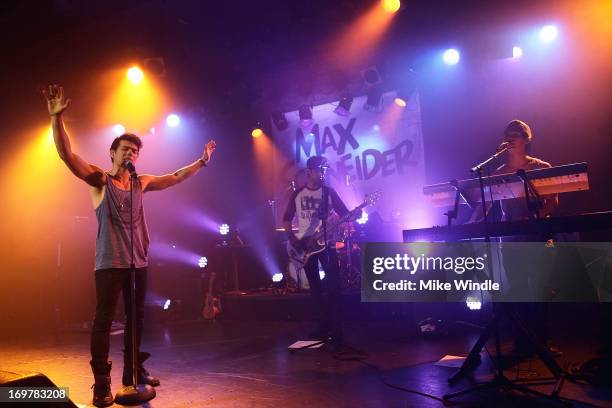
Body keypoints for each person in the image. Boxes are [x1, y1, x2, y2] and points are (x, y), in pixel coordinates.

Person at [43, 84, 216, 407]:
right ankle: (101, 383)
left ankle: (133, 373)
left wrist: (201, 162)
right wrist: (57, 119)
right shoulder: (99, 180)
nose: (130, 154)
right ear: (112, 153)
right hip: (109, 263)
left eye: (134, 151)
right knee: (104, 321)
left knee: (137, 320)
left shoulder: (141, 182)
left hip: (138, 261)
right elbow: (67, 155)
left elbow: (175, 176)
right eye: (124, 149)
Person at [282, 156, 350, 348]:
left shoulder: (329, 193)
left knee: (334, 288)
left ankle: (337, 332)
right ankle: (322, 327)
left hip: (326, 245)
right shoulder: (298, 194)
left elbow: (345, 214)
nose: (321, 173)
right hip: (305, 246)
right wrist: (292, 239)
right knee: (316, 291)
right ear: (309, 171)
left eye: (323, 170)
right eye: (318, 170)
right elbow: (286, 218)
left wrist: (354, 215)